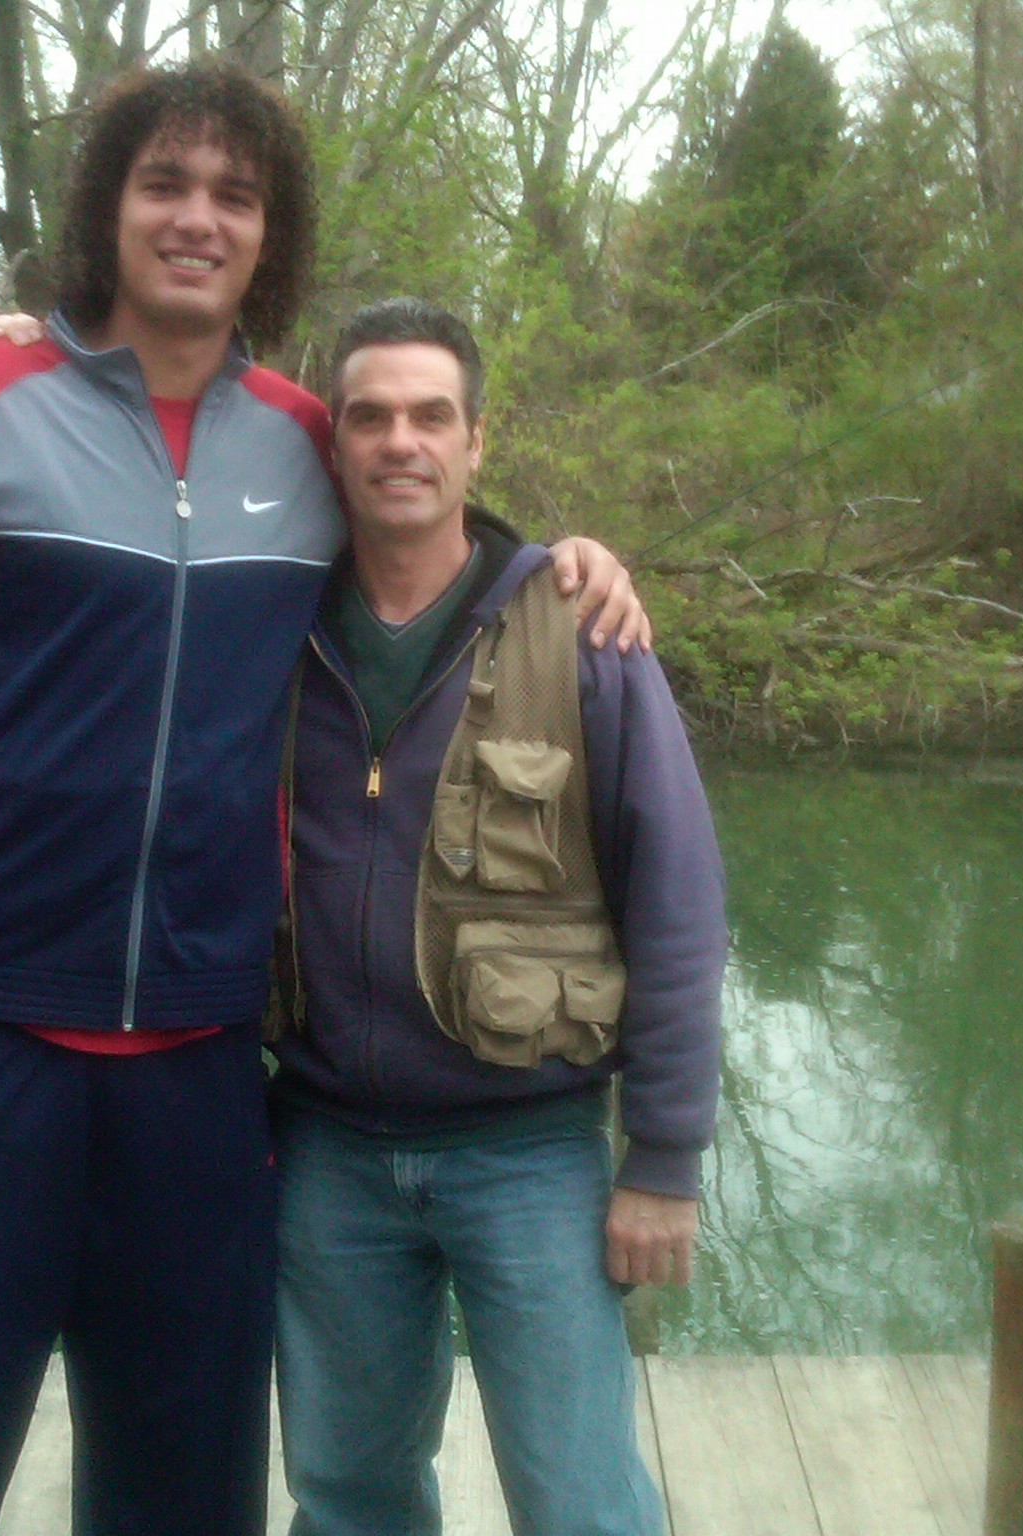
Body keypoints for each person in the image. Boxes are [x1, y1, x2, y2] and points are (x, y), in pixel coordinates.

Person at [0, 64, 648, 1536]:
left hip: (199, 1070)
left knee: (187, 1498)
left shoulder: (306, 445)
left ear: (274, 236)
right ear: (106, 209)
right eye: (165, 186)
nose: (199, 219)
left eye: (235, 196)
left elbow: (432, 527)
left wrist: (572, 562)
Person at [266, 297, 727, 1536]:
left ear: (476, 441)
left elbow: (677, 901)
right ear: (335, 444)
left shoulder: (580, 627)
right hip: (325, 1155)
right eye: (368, 416)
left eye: (430, 415)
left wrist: (665, 1160)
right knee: (349, 1494)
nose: (398, 442)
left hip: (529, 1154)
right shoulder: (269, 628)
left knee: (578, 1503)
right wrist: (36, 342)